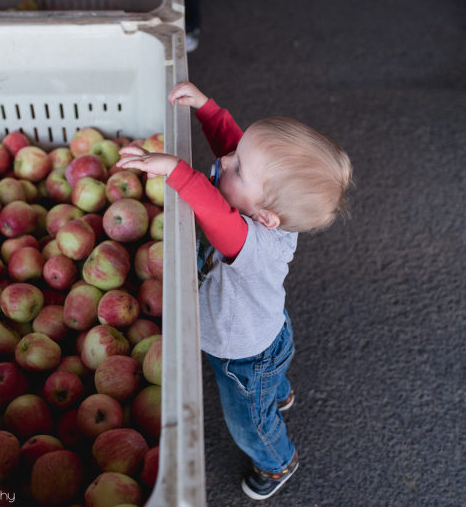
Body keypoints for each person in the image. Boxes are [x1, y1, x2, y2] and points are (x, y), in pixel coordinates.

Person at [116, 81, 352, 500]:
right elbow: (237, 145)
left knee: (248, 419)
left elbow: (219, 219)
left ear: (265, 216)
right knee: (270, 374)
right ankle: (279, 393)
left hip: (241, 353)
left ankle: (277, 462)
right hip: (266, 330)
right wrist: (208, 109)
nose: (226, 160)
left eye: (238, 168)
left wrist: (177, 171)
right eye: (236, 157)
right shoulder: (258, 201)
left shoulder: (253, 241)